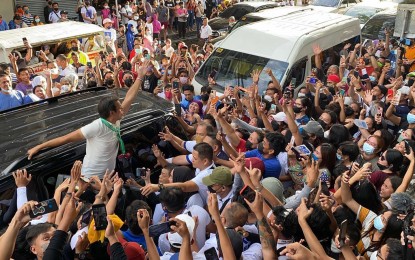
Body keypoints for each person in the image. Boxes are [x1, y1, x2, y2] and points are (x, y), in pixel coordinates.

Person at [27, 61, 149, 178]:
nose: (123, 110)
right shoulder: (97, 126)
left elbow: (129, 97)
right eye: (120, 108)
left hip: (107, 177)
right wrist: (39, 147)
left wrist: (140, 77)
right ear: (112, 113)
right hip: (91, 179)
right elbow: (66, 138)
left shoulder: (115, 120)